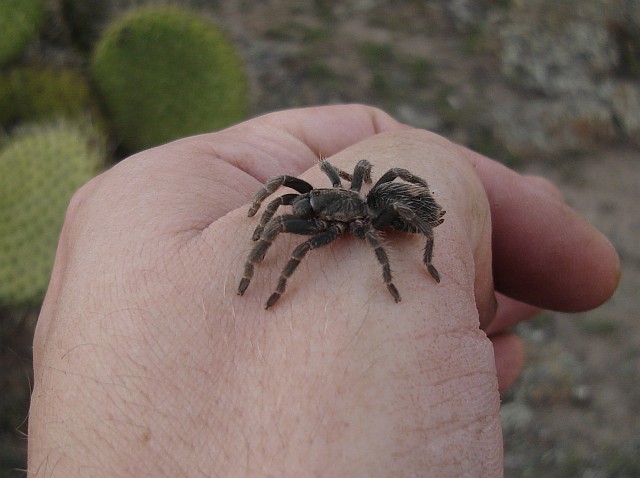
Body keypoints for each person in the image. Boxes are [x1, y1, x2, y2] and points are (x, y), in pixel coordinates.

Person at [28, 105, 619, 476]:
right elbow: (292, 194)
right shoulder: (331, 190)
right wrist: (260, 209)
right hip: (381, 202)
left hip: (393, 214)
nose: (299, 206)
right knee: (290, 203)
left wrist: (388, 277)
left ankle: (327, 269)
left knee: (310, 241)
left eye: (309, 202)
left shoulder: (347, 223)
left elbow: (352, 227)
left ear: (331, 205)